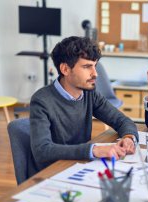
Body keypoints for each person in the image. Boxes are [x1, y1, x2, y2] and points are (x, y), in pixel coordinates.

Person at [30, 36, 138, 171]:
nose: (95, 74)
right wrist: (94, 150)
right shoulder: (41, 101)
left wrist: (128, 138)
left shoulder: (89, 93)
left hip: (83, 166)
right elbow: (43, 150)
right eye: (87, 67)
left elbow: (121, 120)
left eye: (95, 66)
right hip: (56, 172)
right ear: (65, 69)